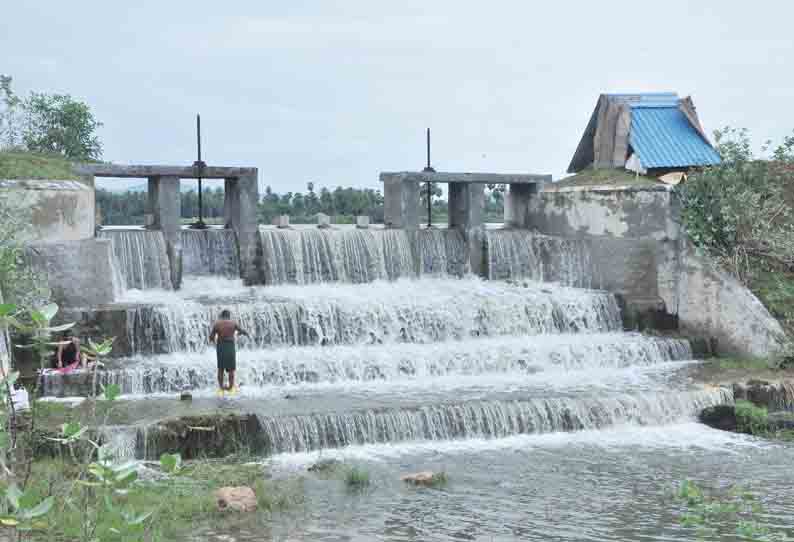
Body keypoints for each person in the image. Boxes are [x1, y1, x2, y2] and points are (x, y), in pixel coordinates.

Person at [209, 309, 248, 394]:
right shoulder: (233, 323)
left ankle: (221, 387)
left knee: (220, 368)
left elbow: (211, 337)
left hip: (221, 347)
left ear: (222, 316)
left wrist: (214, 342)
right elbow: (242, 331)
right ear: (229, 316)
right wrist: (242, 333)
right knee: (231, 369)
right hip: (230, 346)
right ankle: (230, 387)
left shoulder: (217, 324)